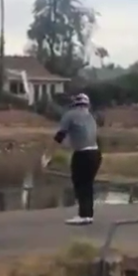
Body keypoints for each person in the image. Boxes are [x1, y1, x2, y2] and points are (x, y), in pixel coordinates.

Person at [49, 93, 102, 225]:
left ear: (75, 104)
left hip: (82, 154)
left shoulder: (70, 115)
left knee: (79, 184)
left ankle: (83, 215)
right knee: (88, 185)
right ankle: (88, 214)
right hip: (95, 153)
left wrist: (49, 154)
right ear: (87, 104)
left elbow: (60, 135)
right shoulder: (91, 117)